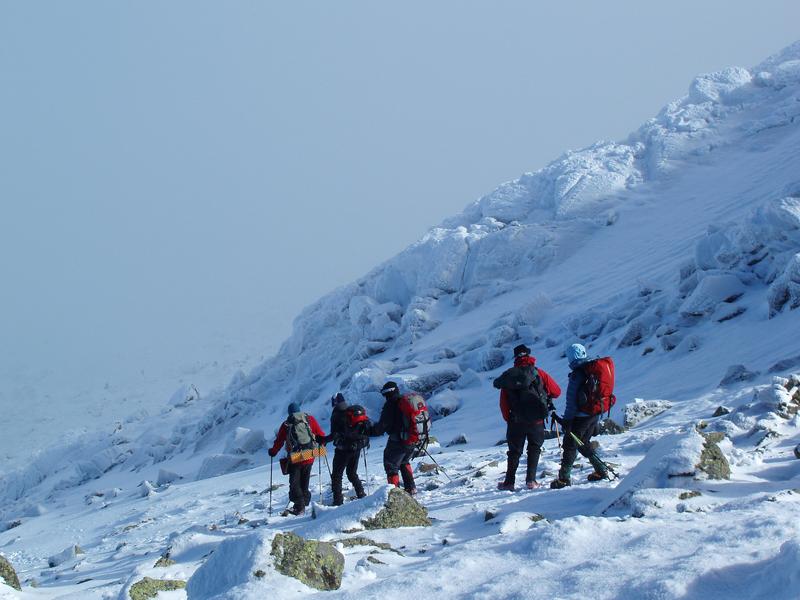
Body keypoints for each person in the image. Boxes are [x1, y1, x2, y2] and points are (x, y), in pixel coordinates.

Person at [493, 344, 561, 491]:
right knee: (534, 448)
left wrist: (509, 418)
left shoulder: (508, 376)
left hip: (515, 421)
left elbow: (503, 403)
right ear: (529, 356)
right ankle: (531, 481)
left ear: (515, 357)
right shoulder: (538, 373)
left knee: (514, 452)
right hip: (537, 420)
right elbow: (556, 391)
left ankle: (509, 483)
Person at [550, 343, 611, 489]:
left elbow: (571, 400)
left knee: (570, 445)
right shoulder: (592, 369)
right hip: (594, 413)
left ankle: (564, 479)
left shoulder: (577, 374)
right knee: (583, 441)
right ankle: (601, 470)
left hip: (580, 416)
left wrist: (567, 420)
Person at [268, 402, 326, 516]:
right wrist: (322, 445)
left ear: (289, 413)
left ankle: (300, 507)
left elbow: (279, 441)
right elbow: (320, 434)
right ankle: (303, 504)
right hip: (310, 455)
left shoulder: (286, 424)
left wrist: (273, 451)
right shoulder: (309, 419)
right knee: (304, 481)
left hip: (297, 458)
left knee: (294, 484)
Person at [371, 381, 419, 495]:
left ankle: (395, 494)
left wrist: (370, 431)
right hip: (412, 438)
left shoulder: (390, 405)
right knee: (404, 462)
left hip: (398, 440)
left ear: (387, 393)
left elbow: (382, 426)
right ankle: (411, 488)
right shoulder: (405, 401)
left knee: (391, 465)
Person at [324, 392, 370, 506]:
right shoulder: (352, 412)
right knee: (352, 473)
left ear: (334, 403)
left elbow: (334, 434)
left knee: (337, 475)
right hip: (357, 447)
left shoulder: (337, 414)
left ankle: (338, 501)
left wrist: (322, 440)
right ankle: (361, 493)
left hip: (343, 449)